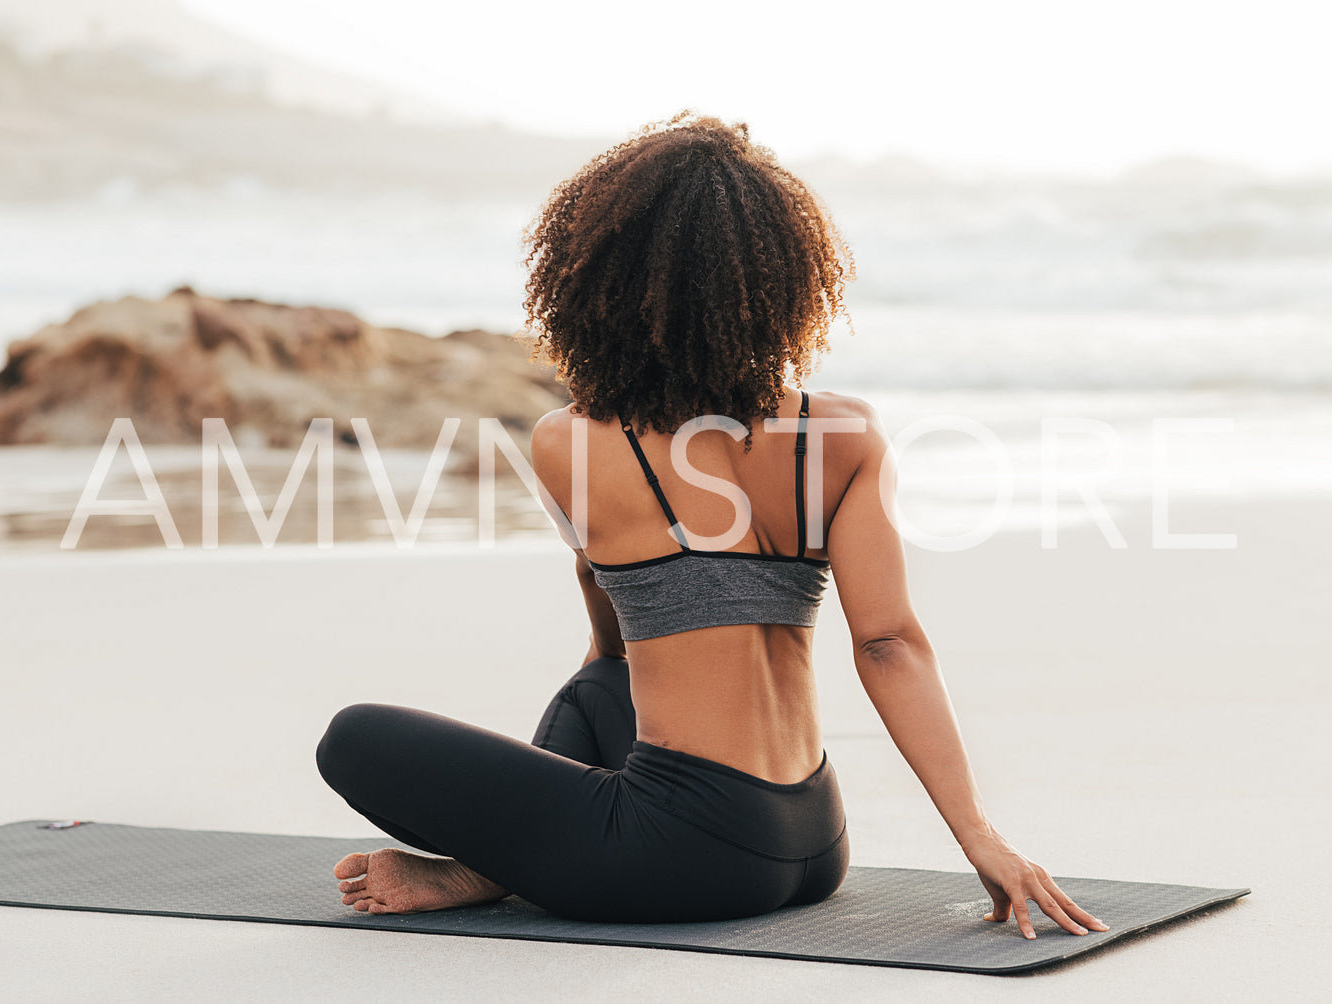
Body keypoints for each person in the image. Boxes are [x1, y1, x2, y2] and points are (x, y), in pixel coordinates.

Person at [316, 112, 1107, 939]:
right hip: (811, 841)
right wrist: (980, 839)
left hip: (680, 857)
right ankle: (511, 862)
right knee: (595, 693)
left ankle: (490, 868)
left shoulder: (571, 443)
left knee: (354, 737)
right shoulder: (843, 435)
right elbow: (888, 644)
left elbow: (613, 626)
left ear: (597, 282)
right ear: (780, 283)